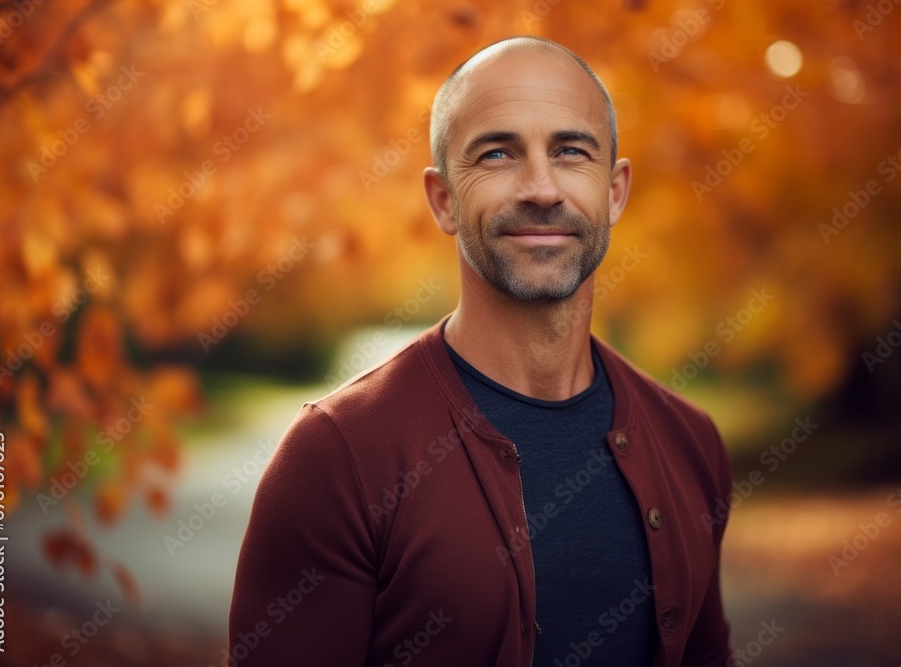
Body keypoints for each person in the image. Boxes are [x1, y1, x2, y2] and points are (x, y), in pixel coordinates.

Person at [229, 35, 733, 666]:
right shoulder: (339, 454)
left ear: (615, 190)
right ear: (443, 199)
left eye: (572, 152)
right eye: (497, 154)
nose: (542, 189)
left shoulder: (690, 442)